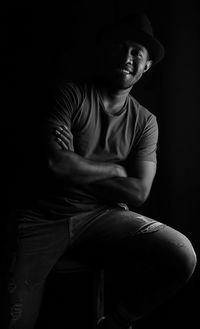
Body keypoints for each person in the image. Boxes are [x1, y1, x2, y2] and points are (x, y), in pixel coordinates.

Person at [6, 12, 197, 329]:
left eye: (137, 52)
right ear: (106, 50)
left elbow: (139, 192)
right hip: (43, 218)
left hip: (101, 218)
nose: (127, 57)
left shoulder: (145, 121)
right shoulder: (71, 95)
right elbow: (55, 164)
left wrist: (77, 166)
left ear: (147, 65)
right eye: (121, 47)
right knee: (15, 322)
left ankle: (117, 322)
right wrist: (117, 172)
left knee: (182, 254)